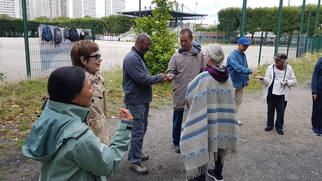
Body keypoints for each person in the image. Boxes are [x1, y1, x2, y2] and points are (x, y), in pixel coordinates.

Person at [22, 66, 134, 181]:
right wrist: (125, 127)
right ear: (74, 98)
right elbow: (108, 165)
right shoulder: (79, 137)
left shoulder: (47, 117)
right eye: (90, 87)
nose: (94, 91)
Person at [180, 44, 238, 181]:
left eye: (206, 55)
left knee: (202, 140)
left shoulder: (204, 78)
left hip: (206, 119)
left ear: (211, 57)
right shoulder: (228, 77)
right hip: (222, 119)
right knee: (219, 140)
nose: (204, 57)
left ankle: (199, 177)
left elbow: (190, 93)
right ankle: (217, 172)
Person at [122, 33, 170, 175]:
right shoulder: (132, 59)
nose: (149, 47)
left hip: (142, 100)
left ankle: (135, 153)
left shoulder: (138, 56)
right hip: (135, 101)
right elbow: (142, 79)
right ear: (141, 42)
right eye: (148, 44)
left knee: (142, 128)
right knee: (137, 131)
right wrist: (159, 77)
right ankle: (134, 161)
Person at [166, 29, 205, 153]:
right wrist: (170, 76)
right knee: (178, 119)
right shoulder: (176, 56)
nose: (183, 44)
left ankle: (191, 140)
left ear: (192, 39)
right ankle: (176, 142)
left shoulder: (200, 55)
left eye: (185, 41)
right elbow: (171, 71)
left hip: (196, 92)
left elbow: (204, 71)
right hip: (180, 92)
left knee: (193, 119)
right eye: (181, 41)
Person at [70, 40, 110, 145]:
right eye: (96, 56)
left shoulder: (97, 78)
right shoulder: (75, 83)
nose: (100, 60)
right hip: (88, 140)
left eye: (100, 56)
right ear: (83, 60)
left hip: (102, 133)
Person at [254, 53, 297, 135]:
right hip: (271, 92)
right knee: (270, 109)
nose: (276, 61)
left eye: (278, 60)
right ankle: (270, 125)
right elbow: (267, 81)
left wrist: (287, 82)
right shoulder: (270, 68)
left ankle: (279, 127)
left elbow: (294, 81)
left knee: (281, 111)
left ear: (283, 61)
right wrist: (262, 78)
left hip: (282, 93)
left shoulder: (288, 69)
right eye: (275, 59)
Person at [226, 37, 260, 125]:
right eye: (244, 46)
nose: (245, 48)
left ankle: (233, 119)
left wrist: (246, 80)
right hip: (232, 83)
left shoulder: (243, 55)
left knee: (238, 102)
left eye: (247, 46)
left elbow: (245, 66)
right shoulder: (232, 56)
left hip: (240, 83)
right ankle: (226, 119)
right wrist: (250, 71)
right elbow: (238, 68)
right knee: (229, 102)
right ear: (239, 44)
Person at [311, 57, 322, 136]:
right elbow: (314, 77)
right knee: (317, 109)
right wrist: (314, 92)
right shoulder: (319, 64)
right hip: (319, 90)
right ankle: (316, 127)